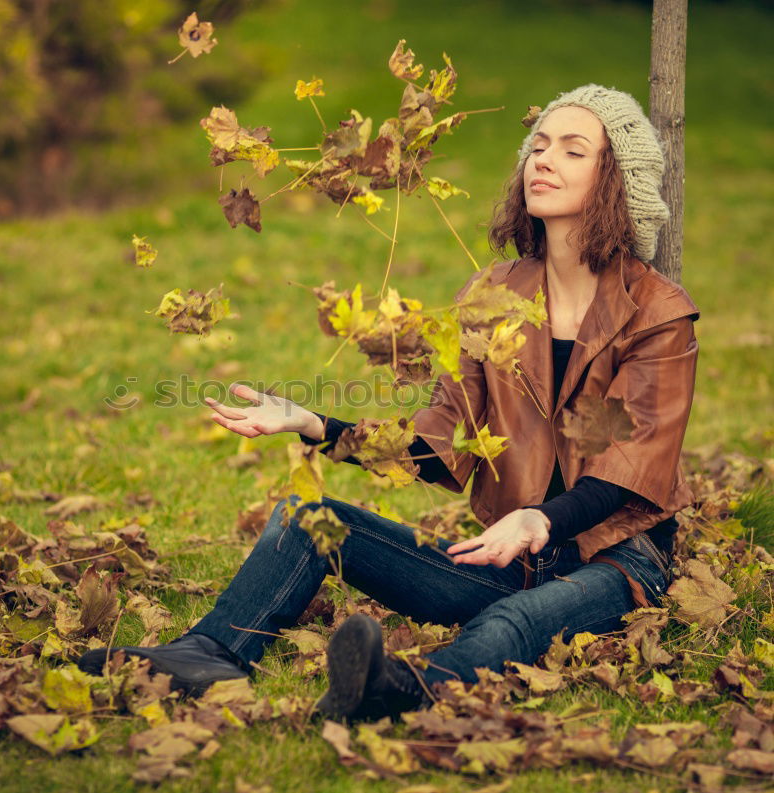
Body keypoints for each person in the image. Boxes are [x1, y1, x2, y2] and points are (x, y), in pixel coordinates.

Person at [77, 84, 700, 723]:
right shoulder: (492, 293)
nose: (542, 160)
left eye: (572, 151)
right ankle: (208, 651)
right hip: (506, 556)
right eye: (537, 146)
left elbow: (630, 467)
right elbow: (436, 445)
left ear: (616, 180)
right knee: (304, 517)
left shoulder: (655, 313)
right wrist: (316, 424)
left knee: (511, 621)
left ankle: (398, 689)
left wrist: (538, 521)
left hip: (614, 558)